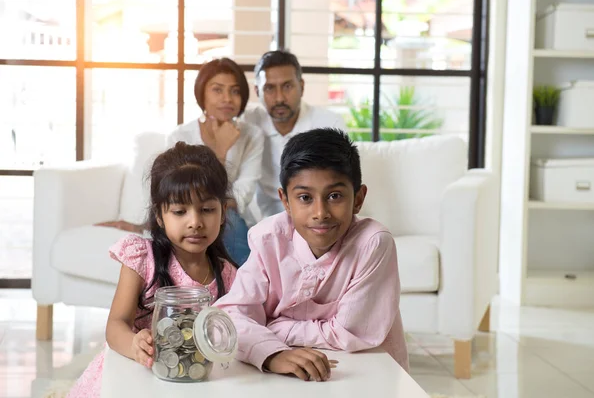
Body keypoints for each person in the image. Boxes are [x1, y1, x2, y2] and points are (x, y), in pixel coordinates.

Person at [214, 128, 409, 382]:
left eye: (335, 196)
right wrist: (271, 353)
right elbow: (228, 319)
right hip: (291, 373)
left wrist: (271, 325)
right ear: (285, 201)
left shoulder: (372, 244)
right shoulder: (268, 239)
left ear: (358, 199)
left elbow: (351, 333)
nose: (320, 212)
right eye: (305, 197)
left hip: (368, 374)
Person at [67, 143, 238, 397]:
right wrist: (133, 344)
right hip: (133, 373)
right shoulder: (142, 258)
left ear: (223, 212)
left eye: (207, 210)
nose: (195, 222)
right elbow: (115, 325)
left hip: (188, 380)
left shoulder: (226, 273)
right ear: (159, 215)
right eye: (180, 211)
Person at [165, 58, 264, 265]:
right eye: (217, 90)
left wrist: (216, 205)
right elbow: (177, 192)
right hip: (187, 214)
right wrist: (219, 152)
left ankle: (244, 288)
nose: (227, 98)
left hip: (231, 216)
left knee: (227, 220)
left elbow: (243, 193)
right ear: (202, 93)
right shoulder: (180, 136)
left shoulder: (252, 135)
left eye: (235, 91)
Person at [243, 50, 347, 218]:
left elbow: (339, 186)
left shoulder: (329, 124)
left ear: (302, 86)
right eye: (269, 88)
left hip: (317, 215)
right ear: (257, 92)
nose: (279, 98)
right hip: (267, 219)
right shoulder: (247, 123)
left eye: (287, 86)